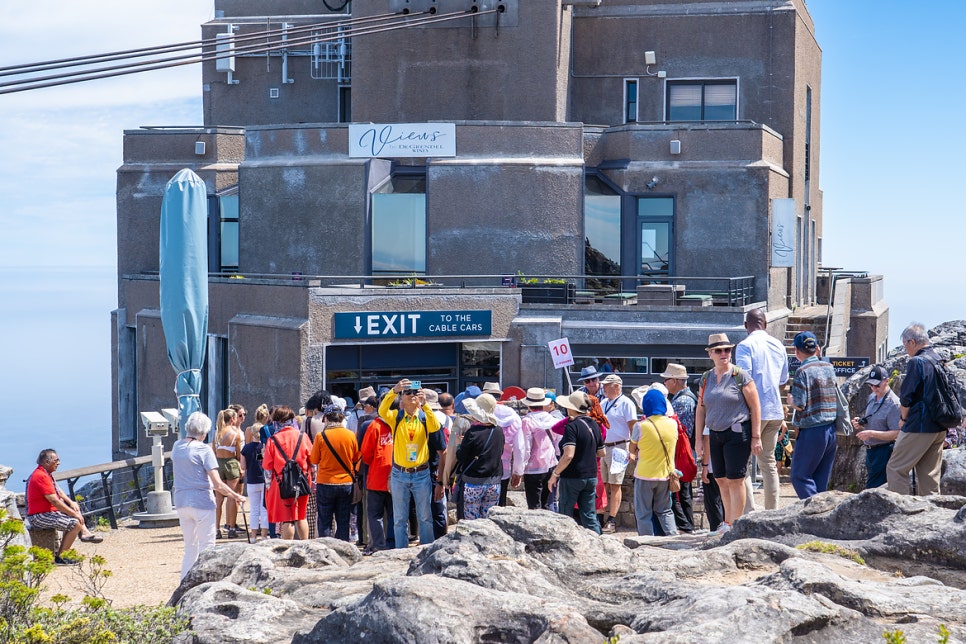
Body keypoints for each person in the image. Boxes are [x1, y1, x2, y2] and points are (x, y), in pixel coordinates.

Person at [695, 333, 762, 532]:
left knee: (735, 479)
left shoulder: (740, 376)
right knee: (720, 479)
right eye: (718, 350)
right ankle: (728, 521)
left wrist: (756, 436)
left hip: (737, 431)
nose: (724, 353)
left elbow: (755, 406)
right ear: (710, 354)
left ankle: (736, 524)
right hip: (715, 432)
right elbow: (701, 408)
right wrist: (698, 438)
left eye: (727, 349)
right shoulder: (706, 378)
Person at [172, 412, 246, 579]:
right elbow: (218, 483)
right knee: (208, 547)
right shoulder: (204, 449)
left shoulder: (177, 446)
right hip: (202, 502)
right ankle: (206, 582)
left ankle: (184, 582)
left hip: (182, 502)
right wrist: (236, 496)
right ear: (204, 432)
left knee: (190, 547)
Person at [734, 308, 789, 510]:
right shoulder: (778, 345)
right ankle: (772, 511)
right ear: (765, 324)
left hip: (752, 412)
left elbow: (744, 380)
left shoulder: (744, 346)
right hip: (775, 410)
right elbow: (783, 380)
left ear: (746, 326)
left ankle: (749, 512)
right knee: (769, 464)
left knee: (743, 463)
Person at [887, 323, 950, 495]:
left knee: (896, 468)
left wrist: (904, 419)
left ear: (912, 342)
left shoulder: (917, 362)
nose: (906, 349)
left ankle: (897, 511)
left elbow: (906, 397)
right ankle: (930, 514)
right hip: (939, 426)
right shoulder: (938, 359)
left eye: (905, 345)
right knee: (929, 475)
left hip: (920, 425)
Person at [379, 378, 441, 548]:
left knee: (425, 517)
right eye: (408, 392)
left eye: (415, 392)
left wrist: (425, 404)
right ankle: (401, 552)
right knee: (399, 519)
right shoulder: (396, 417)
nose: (412, 395)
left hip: (421, 473)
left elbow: (435, 427)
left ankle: (427, 551)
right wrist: (394, 390)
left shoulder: (424, 416)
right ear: (402, 397)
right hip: (400, 474)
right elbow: (382, 410)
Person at [25, 449, 104, 565]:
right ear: (47, 462)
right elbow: (54, 500)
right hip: (38, 516)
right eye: (56, 460)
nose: (58, 463)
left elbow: (58, 491)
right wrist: (74, 514)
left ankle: (83, 533)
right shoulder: (40, 476)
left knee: (74, 511)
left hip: (46, 512)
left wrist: (71, 502)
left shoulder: (46, 474)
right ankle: (62, 557)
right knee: (74, 523)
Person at [786, 331, 838, 499]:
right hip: (831, 429)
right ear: (816, 348)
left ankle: (814, 513)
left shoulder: (802, 371)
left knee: (799, 476)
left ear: (796, 350)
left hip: (812, 431)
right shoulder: (829, 367)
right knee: (820, 481)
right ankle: (823, 516)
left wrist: (790, 401)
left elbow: (800, 404)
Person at [548, 391, 605, 534]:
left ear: (572, 408)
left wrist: (555, 474)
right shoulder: (595, 425)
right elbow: (601, 452)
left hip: (573, 476)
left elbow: (568, 455)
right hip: (591, 476)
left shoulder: (572, 426)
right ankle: (598, 544)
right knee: (589, 516)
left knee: (565, 515)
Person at [629, 389, 679, 536]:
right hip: (665, 474)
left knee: (643, 513)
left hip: (644, 474)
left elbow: (633, 448)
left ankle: (646, 542)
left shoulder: (641, 426)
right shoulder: (672, 424)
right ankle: (672, 537)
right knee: (665, 510)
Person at [309, 404, 360, 541]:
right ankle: (342, 548)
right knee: (343, 520)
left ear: (326, 418)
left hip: (325, 482)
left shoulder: (321, 436)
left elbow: (314, 459)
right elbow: (356, 458)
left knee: (325, 520)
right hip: (346, 482)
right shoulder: (350, 435)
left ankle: (326, 549)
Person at [263, 406, 312, 540]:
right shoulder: (303, 436)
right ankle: (305, 546)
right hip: (302, 481)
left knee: (287, 519)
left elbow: (267, 468)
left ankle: (288, 550)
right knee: (301, 516)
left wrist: (268, 487)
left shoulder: (272, 440)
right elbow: (312, 460)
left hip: (281, 483)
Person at [598, 374, 638, 533]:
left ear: (616, 386)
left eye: (607, 385)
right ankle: (602, 515)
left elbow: (633, 428)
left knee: (615, 485)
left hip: (619, 447)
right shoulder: (603, 403)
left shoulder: (626, 403)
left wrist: (633, 450)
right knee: (604, 484)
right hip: (604, 447)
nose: (603, 388)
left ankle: (612, 520)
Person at [661, 364, 698, 532]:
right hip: (684, 452)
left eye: (666, 379)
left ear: (674, 381)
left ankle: (686, 527)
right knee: (683, 492)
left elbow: (679, 430)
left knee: (680, 492)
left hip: (681, 453)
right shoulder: (683, 398)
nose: (665, 382)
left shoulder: (683, 401)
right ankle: (687, 526)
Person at [456, 395, 506, 519]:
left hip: (473, 481)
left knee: (471, 521)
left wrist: (459, 445)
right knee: (488, 519)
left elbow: (461, 457)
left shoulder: (472, 433)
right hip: (494, 481)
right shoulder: (498, 431)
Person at [853, 365, 901, 489]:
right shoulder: (871, 398)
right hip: (870, 450)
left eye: (877, 385)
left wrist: (871, 433)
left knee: (873, 488)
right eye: (871, 385)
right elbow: (872, 421)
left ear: (887, 381)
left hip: (884, 451)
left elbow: (896, 433)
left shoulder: (894, 404)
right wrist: (861, 423)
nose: (873, 388)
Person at [359, 393, 395, 552]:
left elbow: (365, 453)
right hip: (397, 476)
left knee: (375, 515)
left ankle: (379, 545)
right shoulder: (400, 424)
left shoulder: (374, 425)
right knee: (395, 515)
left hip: (376, 476)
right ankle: (394, 544)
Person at [520, 388, 559, 510]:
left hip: (533, 467)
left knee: (534, 505)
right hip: (551, 463)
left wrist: (520, 468)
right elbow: (558, 443)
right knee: (547, 503)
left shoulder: (527, 421)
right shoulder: (553, 420)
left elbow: (526, 447)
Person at [212, 408, 244, 539]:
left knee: (218, 499)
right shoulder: (235, 433)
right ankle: (231, 527)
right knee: (231, 496)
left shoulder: (217, 433)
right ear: (232, 419)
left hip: (218, 463)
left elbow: (213, 451)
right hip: (231, 463)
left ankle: (216, 529)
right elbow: (238, 453)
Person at [239, 430, 269, 541]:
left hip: (252, 480)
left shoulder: (246, 448)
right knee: (264, 509)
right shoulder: (265, 446)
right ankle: (265, 536)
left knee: (254, 509)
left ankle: (253, 536)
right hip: (263, 480)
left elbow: (243, 466)